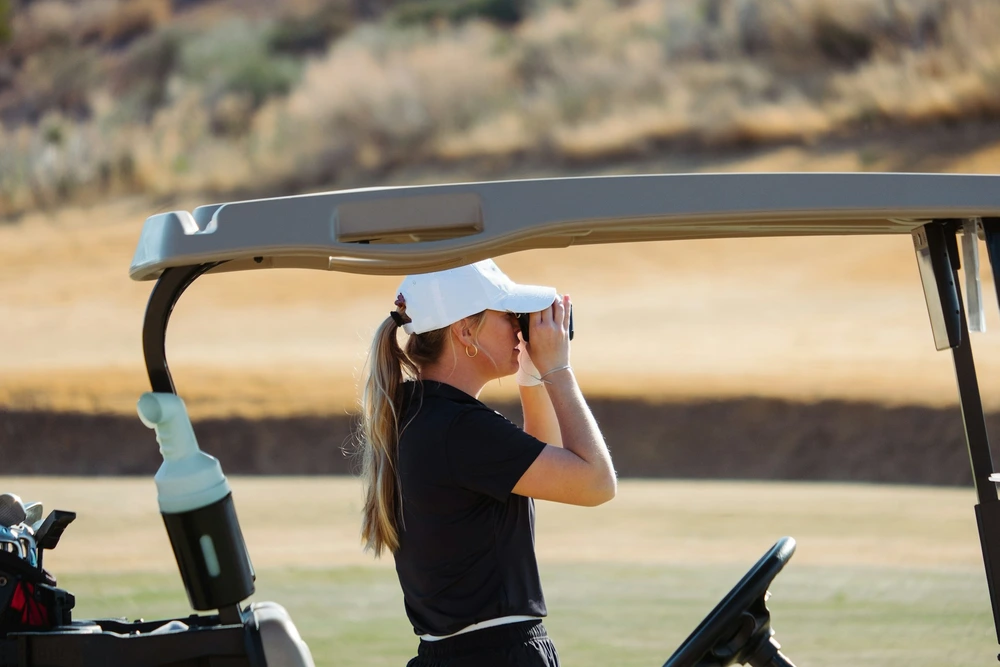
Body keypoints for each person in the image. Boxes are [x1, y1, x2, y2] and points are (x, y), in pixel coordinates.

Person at [357, 258, 616, 667]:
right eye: (507, 315)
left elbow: (539, 473)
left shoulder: (423, 414)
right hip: (496, 655)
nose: (519, 326)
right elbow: (596, 483)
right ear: (464, 331)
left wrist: (533, 376)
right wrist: (559, 371)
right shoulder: (459, 429)